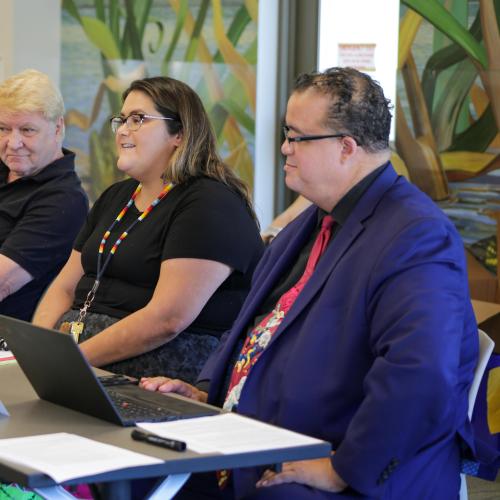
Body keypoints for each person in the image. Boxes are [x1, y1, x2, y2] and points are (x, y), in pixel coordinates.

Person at [140, 67, 478, 498]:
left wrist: (345, 469)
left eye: (296, 136)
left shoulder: (415, 234)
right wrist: (209, 391)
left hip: (352, 465)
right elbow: (252, 326)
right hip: (259, 437)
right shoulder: (314, 221)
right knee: (136, 465)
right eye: (286, 133)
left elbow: (421, 374)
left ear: (346, 147)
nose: (284, 148)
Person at [33, 76, 264, 383]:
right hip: (82, 365)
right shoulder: (116, 196)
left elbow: (167, 319)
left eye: (138, 119)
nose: (123, 130)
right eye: (122, 119)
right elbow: (64, 288)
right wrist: (37, 352)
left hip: (154, 378)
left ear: (179, 133)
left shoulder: (210, 203)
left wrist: (72, 361)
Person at [0, 69, 88, 322]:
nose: (12, 142)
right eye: (3, 128)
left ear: (58, 127)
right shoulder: (7, 169)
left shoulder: (64, 200)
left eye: (27, 130)